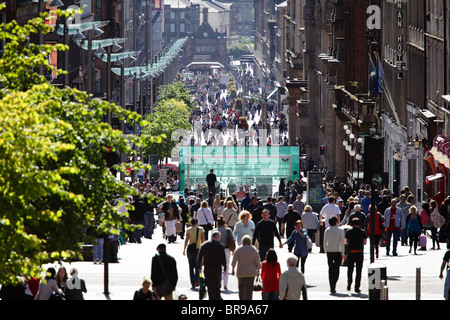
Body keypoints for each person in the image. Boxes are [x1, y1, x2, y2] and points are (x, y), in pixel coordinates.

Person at [197, 230, 227, 300]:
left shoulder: (204, 244)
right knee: (217, 284)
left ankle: (211, 297)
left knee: (209, 284)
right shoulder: (220, 245)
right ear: (217, 237)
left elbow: (200, 256)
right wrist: (225, 267)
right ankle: (217, 297)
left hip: (207, 267)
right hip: (217, 268)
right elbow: (223, 258)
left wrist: (199, 266)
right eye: (219, 237)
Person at [231, 235, 261, 300]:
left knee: (241, 287)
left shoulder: (238, 249)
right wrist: (258, 269)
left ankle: (241, 298)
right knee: (249, 288)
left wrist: (233, 269)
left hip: (241, 271)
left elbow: (234, 261)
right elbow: (257, 261)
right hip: (251, 272)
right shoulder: (253, 249)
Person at [323, 216, 345, 294]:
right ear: (336, 222)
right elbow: (342, 242)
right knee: (336, 268)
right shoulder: (341, 230)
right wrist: (343, 253)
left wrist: (326, 250)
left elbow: (324, 242)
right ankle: (334, 283)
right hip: (337, 251)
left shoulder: (327, 230)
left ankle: (331, 285)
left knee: (330, 268)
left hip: (329, 251)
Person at [345, 218, 367, 293]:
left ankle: (349, 282)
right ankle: (357, 287)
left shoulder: (348, 231)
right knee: (358, 271)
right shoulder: (363, 232)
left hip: (351, 252)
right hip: (359, 252)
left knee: (350, 269)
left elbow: (345, 242)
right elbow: (365, 243)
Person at [213, 216, 235, 290]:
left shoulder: (215, 230)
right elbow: (232, 239)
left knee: (218, 266)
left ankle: (220, 278)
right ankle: (225, 284)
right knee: (226, 266)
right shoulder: (228, 230)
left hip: (216, 250)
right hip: (226, 249)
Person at [183, 219, 205, 289]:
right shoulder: (201, 229)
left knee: (191, 266)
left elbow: (187, 239)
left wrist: (184, 249)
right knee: (197, 266)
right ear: (197, 223)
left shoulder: (188, 229)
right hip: (198, 249)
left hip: (190, 249)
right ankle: (197, 280)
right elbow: (203, 240)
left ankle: (192, 283)